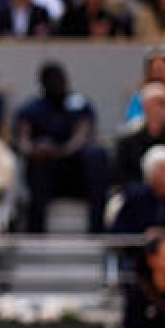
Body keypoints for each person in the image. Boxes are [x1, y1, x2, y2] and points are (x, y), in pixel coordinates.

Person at [14, 61, 110, 233]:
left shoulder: (80, 104)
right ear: (42, 84)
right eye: (51, 80)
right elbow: (23, 142)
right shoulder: (31, 108)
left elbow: (83, 135)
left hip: (78, 174)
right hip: (45, 176)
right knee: (39, 165)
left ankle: (97, 228)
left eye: (60, 79)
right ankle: (35, 233)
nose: (57, 83)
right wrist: (37, 149)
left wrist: (58, 151)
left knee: (97, 154)